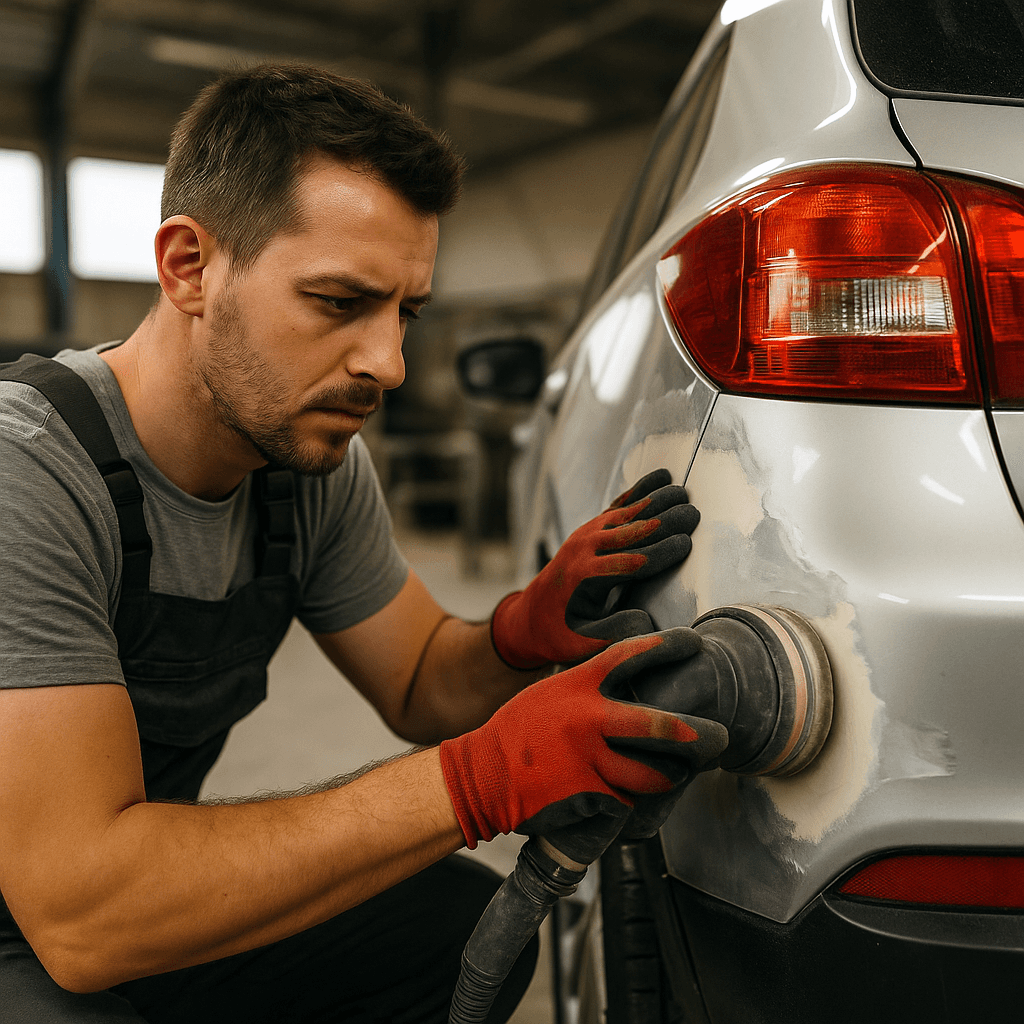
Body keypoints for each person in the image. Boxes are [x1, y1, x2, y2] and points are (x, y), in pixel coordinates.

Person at [0, 64, 716, 1023]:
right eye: (339, 303)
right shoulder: (31, 473)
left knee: (456, 932)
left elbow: (421, 681)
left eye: (403, 312)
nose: (388, 363)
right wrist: (480, 777)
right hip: (58, 912)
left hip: (90, 902)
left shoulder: (305, 465)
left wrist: (520, 634)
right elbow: (83, 917)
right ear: (188, 268)